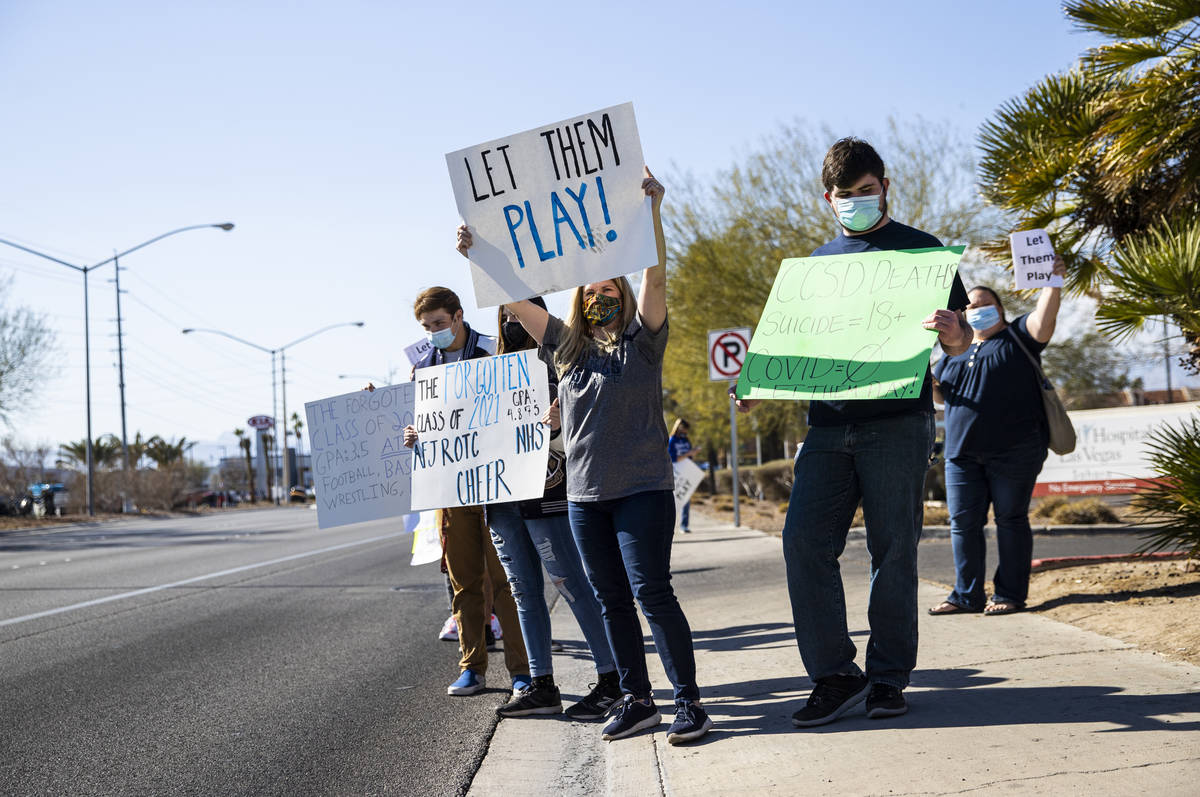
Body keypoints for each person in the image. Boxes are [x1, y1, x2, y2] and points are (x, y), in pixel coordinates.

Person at [456, 167, 713, 745]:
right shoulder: (565, 349)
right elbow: (513, 301)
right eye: (592, 292)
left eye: (610, 291)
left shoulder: (645, 343)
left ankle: (690, 703)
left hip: (643, 492)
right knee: (610, 599)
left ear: (623, 299)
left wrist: (651, 213)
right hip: (585, 499)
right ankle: (637, 699)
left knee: (652, 593)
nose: (601, 297)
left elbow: (656, 277)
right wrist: (477, 255)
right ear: (580, 300)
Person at [734, 138, 972, 726]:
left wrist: (950, 332)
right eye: (846, 196)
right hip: (827, 427)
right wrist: (757, 381)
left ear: (885, 186)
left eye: (867, 191)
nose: (857, 202)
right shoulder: (815, 267)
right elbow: (794, 350)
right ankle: (836, 674)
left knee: (894, 551)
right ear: (828, 199)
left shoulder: (924, 253)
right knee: (803, 543)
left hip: (898, 422)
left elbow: (962, 340)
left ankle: (889, 678)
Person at [483, 297, 624, 720]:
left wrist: (562, 421)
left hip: (548, 490)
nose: (512, 323)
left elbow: (596, 417)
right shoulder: (487, 372)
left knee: (568, 583)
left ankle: (613, 678)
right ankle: (540, 683)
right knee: (523, 590)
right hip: (501, 496)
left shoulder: (562, 360)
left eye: (519, 314)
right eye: (505, 317)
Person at [400, 287, 530, 698]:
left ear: (458, 316)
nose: (433, 332)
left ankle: (524, 671)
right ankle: (472, 667)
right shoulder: (422, 368)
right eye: (426, 327)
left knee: (507, 582)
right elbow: (422, 423)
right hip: (451, 491)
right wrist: (412, 435)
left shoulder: (494, 353)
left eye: (439, 323)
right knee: (464, 584)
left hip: (496, 488)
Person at [928, 258, 1066, 616]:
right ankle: (965, 595)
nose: (975, 310)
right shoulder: (952, 353)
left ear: (1000, 309)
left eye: (984, 304)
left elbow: (1043, 317)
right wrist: (926, 383)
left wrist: (1052, 281)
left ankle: (1009, 594)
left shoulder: (1019, 337)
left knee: (1010, 520)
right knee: (963, 525)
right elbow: (942, 398)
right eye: (969, 306)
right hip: (961, 456)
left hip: (1015, 452)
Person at [667, 419, 696, 533]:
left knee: (686, 498)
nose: (685, 431)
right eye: (684, 428)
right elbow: (672, 458)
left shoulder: (686, 440)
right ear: (679, 427)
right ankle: (669, 527)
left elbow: (689, 456)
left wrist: (692, 454)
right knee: (673, 500)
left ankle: (684, 525)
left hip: (686, 471)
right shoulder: (672, 440)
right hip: (674, 472)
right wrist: (688, 454)